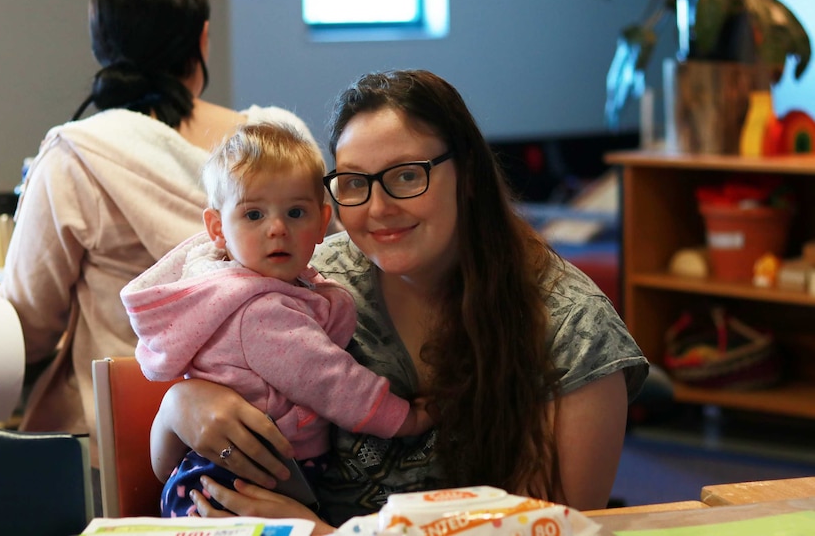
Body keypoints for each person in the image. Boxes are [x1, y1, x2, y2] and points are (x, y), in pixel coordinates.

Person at [148, 70, 649, 531]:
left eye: (407, 175)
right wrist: (178, 406)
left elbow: (557, 527)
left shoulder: (571, 328)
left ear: (468, 175)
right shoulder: (310, 280)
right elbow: (159, 465)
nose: (378, 209)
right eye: (353, 183)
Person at [0, 0, 319, 499]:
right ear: (203, 40)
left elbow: (28, 329)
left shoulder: (79, 153)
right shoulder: (280, 153)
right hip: (279, 443)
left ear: (103, 45)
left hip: (119, 452)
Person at [121, 122, 432, 517]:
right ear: (218, 228)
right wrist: (405, 418)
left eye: (295, 212)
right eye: (253, 214)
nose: (277, 228)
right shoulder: (260, 311)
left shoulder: (245, 287)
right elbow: (333, 381)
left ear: (322, 223)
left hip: (220, 473)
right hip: (243, 483)